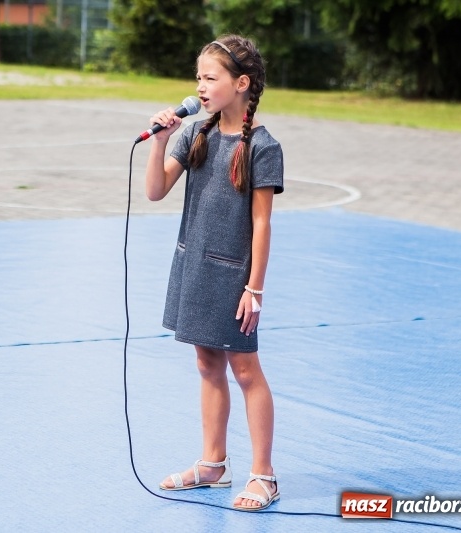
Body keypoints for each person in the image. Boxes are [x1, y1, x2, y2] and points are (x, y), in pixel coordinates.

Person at [144, 34, 284, 511]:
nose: (200, 87)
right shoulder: (194, 134)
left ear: (241, 83)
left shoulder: (263, 146)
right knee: (206, 363)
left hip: (234, 276)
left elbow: (262, 223)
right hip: (194, 265)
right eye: (198, 78)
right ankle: (213, 464)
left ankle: (264, 476)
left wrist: (254, 288)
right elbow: (155, 190)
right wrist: (160, 141)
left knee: (245, 368)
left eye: (210, 78)